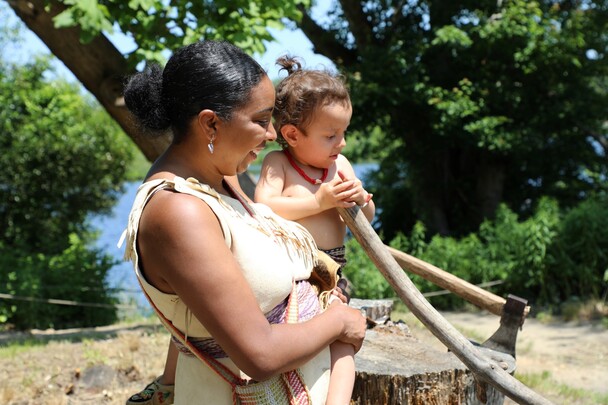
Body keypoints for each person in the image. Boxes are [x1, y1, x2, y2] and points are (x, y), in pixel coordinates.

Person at [120, 40, 367, 405]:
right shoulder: (177, 212)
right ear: (210, 124)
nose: (271, 135)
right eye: (261, 120)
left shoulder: (221, 178)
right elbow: (260, 354)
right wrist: (341, 322)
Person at [254, 56, 376, 405]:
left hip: (332, 273)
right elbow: (265, 207)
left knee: (344, 342)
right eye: (331, 135)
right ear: (292, 135)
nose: (343, 143)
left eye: (344, 132)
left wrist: (361, 200)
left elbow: (367, 215)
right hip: (290, 274)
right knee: (291, 338)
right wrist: (319, 201)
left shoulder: (340, 165)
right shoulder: (278, 164)